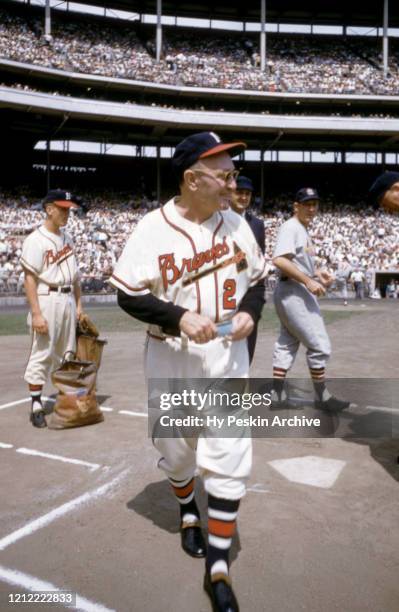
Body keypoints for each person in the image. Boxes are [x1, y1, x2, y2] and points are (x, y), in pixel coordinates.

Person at [110, 131, 267, 612]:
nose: (231, 182)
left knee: (229, 459)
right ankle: (186, 511)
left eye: (232, 173)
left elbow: (257, 281)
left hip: (226, 357)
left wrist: (250, 312)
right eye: (223, 174)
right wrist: (178, 317)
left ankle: (217, 568)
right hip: (172, 354)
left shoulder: (238, 225)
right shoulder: (151, 228)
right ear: (191, 179)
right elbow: (127, 294)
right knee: (176, 454)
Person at [271, 188, 350, 411]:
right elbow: (279, 260)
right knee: (319, 345)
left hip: (291, 290)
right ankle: (322, 397)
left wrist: (317, 273)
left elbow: (296, 262)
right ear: (296, 206)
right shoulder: (292, 227)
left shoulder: (302, 229)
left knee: (288, 343)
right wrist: (308, 281)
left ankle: (277, 396)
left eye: (315, 204)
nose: (312, 208)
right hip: (294, 292)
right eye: (307, 204)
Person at [21, 190, 85, 428]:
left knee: (67, 353)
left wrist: (79, 305)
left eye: (69, 209)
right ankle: (36, 405)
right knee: (42, 352)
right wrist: (36, 313)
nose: (67, 213)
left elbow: (76, 277)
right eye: (63, 208)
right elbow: (29, 279)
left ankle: (64, 401)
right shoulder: (35, 240)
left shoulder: (67, 238)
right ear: (49, 209)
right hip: (47, 298)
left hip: (68, 297)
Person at [231, 175, 266, 363]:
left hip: (249, 292)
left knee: (247, 350)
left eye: (247, 194)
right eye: (239, 192)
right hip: (225, 293)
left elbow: (260, 260)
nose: (243, 197)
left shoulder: (257, 225)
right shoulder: (217, 219)